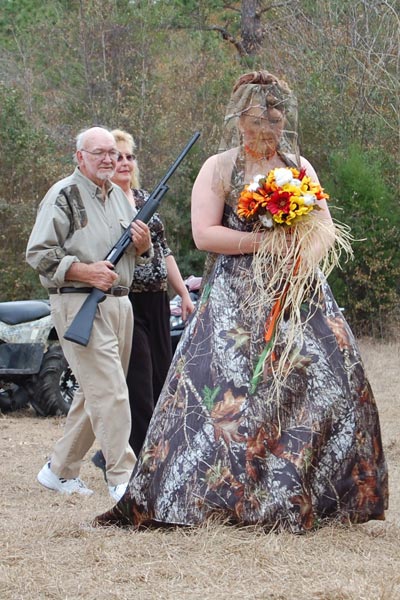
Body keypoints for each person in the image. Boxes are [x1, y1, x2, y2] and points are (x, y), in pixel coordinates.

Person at [95, 72, 388, 531]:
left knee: (327, 378)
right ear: (239, 122)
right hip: (236, 296)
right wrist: (264, 246)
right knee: (223, 394)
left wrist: (299, 259)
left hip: (297, 291)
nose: (265, 131)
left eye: (273, 122)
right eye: (256, 122)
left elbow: (324, 226)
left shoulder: (300, 166)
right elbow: (204, 233)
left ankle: (305, 489)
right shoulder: (219, 167)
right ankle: (222, 495)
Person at [26, 126, 152, 502]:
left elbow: (133, 251)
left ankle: (59, 471)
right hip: (78, 300)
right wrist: (86, 271)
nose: (109, 159)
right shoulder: (63, 195)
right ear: (79, 157)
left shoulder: (119, 197)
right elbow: (39, 254)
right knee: (111, 392)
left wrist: (142, 245)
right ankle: (123, 478)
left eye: (113, 153)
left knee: (93, 393)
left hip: (118, 303)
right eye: (98, 153)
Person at [92, 128, 194, 471]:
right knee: (137, 382)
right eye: (116, 156)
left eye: (128, 156)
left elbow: (164, 254)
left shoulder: (145, 198)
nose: (123, 162)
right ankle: (139, 459)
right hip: (125, 300)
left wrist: (181, 293)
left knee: (160, 377)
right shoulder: (103, 203)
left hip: (156, 300)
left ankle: (120, 452)